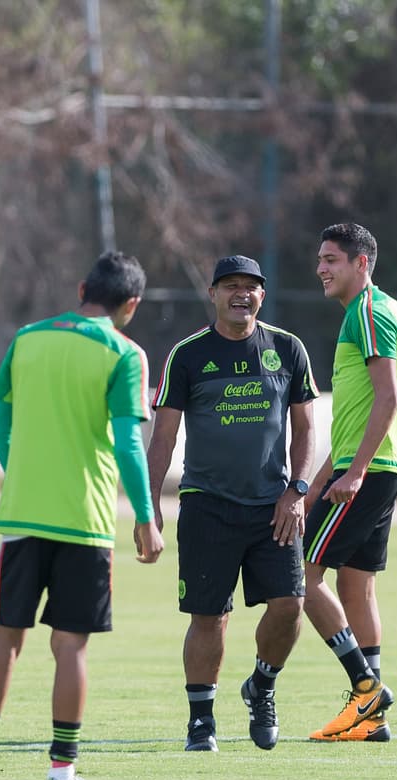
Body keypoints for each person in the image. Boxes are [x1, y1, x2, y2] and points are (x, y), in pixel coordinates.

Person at [0, 251, 164, 780]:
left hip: (21, 516)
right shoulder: (125, 354)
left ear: (82, 287)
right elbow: (131, 442)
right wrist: (146, 516)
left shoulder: (27, 338)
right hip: (84, 521)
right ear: (130, 305)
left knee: (3, 642)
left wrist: (27, 476)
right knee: (70, 649)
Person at [146, 255, 318, 753]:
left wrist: (298, 491)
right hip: (206, 505)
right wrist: (150, 502)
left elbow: (306, 431)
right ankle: (201, 721)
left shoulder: (287, 349)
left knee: (290, 607)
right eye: (231, 286)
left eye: (251, 287)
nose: (241, 294)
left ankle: (261, 686)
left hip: (274, 507)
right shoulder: (188, 355)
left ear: (262, 296)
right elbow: (164, 436)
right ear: (213, 293)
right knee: (209, 617)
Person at [302, 223, 397, 742]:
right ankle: (372, 721)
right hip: (373, 467)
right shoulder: (363, 314)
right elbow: (352, 420)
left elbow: (387, 398)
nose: (321, 268)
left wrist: (356, 470)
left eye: (331, 259)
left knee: (299, 573)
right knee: (356, 585)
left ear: (360, 264)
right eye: (320, 259)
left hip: (370, 471)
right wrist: (317, 481)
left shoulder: (368, 311)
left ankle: (366, 689)